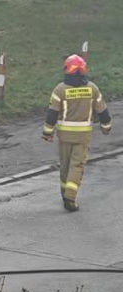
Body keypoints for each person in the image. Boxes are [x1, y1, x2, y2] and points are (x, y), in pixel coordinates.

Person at [42, 54, 112, 212]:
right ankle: (70, 198)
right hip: (83, 137)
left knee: (65, 166)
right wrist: (106, 127)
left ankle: (64, 194)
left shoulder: (60, 90)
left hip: (64, 136)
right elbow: (103, 112)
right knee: (77, 166)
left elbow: (52, 114)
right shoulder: (92, 89)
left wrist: (47, 133)